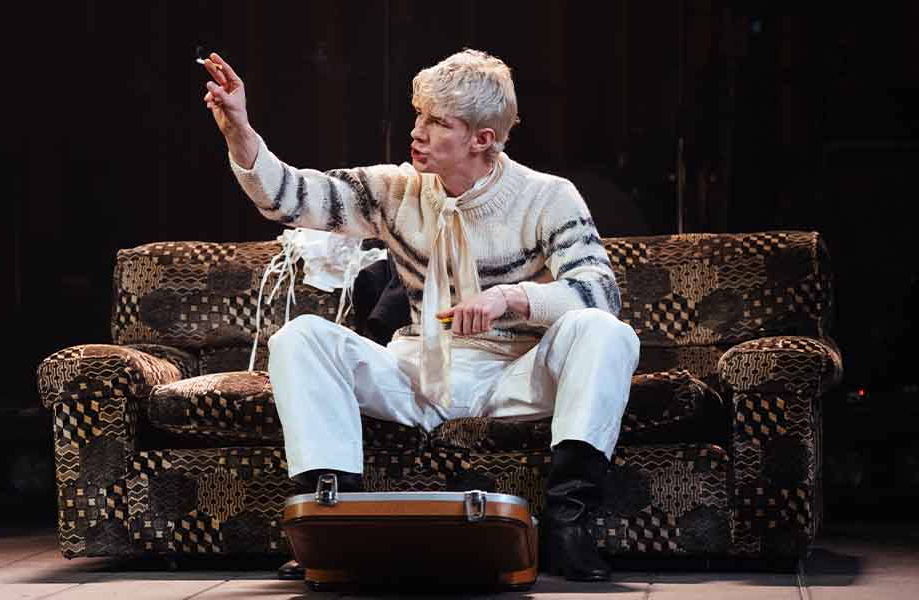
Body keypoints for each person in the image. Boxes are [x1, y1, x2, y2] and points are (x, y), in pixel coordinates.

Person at [201, 48, 639, 582]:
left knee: (603, 331)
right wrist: (239, 130)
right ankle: (332, 523)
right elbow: (291, 197)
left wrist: (512, 298)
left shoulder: (547, 197)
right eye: (418, 115)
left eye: (436, 122)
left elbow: (599, 292)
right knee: (300, 337)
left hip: (512, 375)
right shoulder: (396, 188)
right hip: (417, 371)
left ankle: (570, 524)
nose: (418, 131)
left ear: (482, 139)